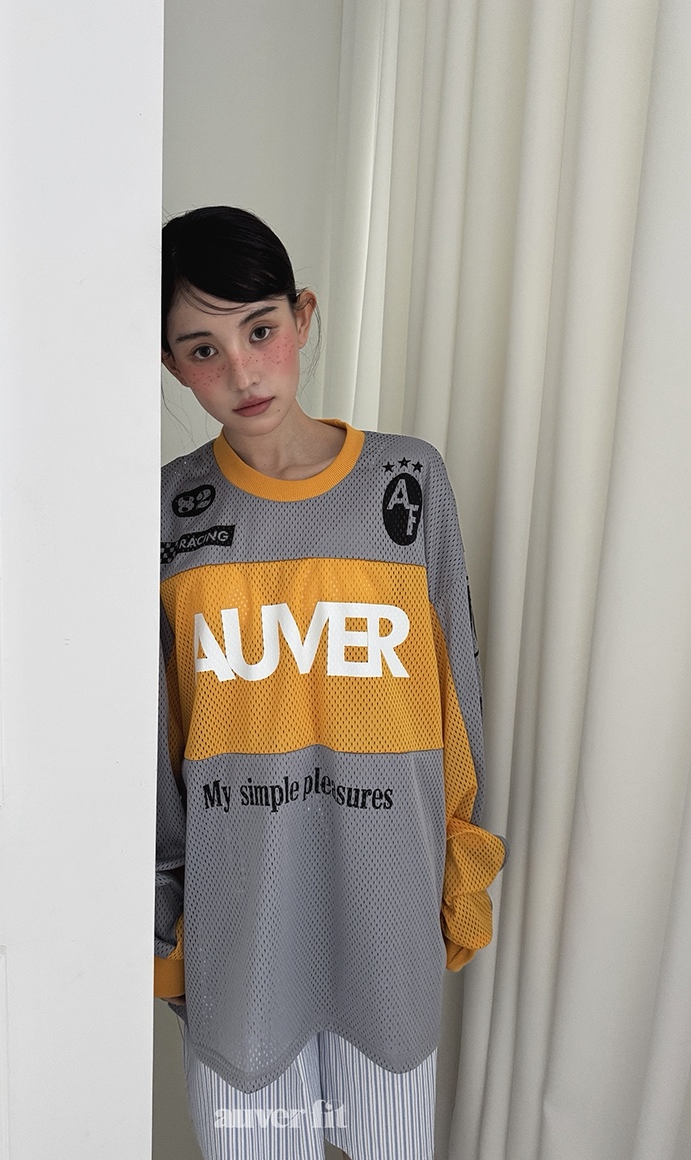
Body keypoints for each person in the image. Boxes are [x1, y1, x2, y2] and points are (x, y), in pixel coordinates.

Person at [154, 205, 506, 1160]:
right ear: (172, 365)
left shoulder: (408, 479)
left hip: (385, 917)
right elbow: (158, 738)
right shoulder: (168, 508)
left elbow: (456, 698)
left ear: (302, 316)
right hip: (239, 933)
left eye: (259, 330)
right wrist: (164, 921)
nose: (242, 372)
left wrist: (460, 879)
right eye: (202, 349)